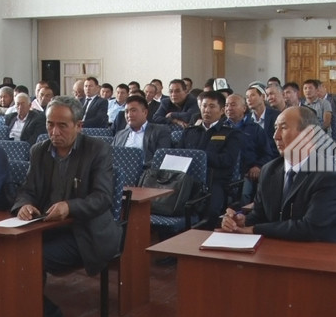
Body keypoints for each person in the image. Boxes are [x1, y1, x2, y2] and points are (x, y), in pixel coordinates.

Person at [12, 96, 121, 317]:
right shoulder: (39, 151)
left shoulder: (97, 149)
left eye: (62, 125)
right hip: (48, 226)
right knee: (8, 252)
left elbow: (102, 198)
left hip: (85, 232)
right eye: (50, 124)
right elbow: (27, 190)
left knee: (31, 257)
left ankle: (45, 313)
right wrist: (24, 205)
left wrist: (70, 206)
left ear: (79, 126)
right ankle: (26, 310)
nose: (54, 132)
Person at [220, 106, 336, 242]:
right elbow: (259, 215)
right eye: (276, 128)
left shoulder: (327, 177)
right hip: (274, 247)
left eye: (284, 128)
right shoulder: (269, 170)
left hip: (315, 251)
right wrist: (242, 221)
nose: (276, 136)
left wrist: (254, 230)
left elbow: (309, 228)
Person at [179, 90, 243, 224]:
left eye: (212, 106)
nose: (207, 110)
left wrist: (201, 156)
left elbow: (227, 160)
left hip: (214, 181)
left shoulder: (231, 134)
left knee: (211, 213)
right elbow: (179, 155)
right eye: (204, 106)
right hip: (187, 180)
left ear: (222, 110)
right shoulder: (189, 132)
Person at [224, 94, 275, 205]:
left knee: (243, 196)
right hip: (224, 173)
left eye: (233, 105)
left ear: (244, 108)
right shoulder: (221, 128)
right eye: (226, 105)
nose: (229, 108)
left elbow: (267, 153)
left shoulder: (255, 129)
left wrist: (258, 166)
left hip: (246, 173)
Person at [112, 94, 171, 168]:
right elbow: (110, 157)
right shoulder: (120, 135)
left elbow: (161, 158)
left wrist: (137, 167)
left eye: (133, 110)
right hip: (119, 172)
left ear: (145, 112)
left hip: (146, 172)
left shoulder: (160, 131)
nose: (129, 115)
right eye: (126, 111)